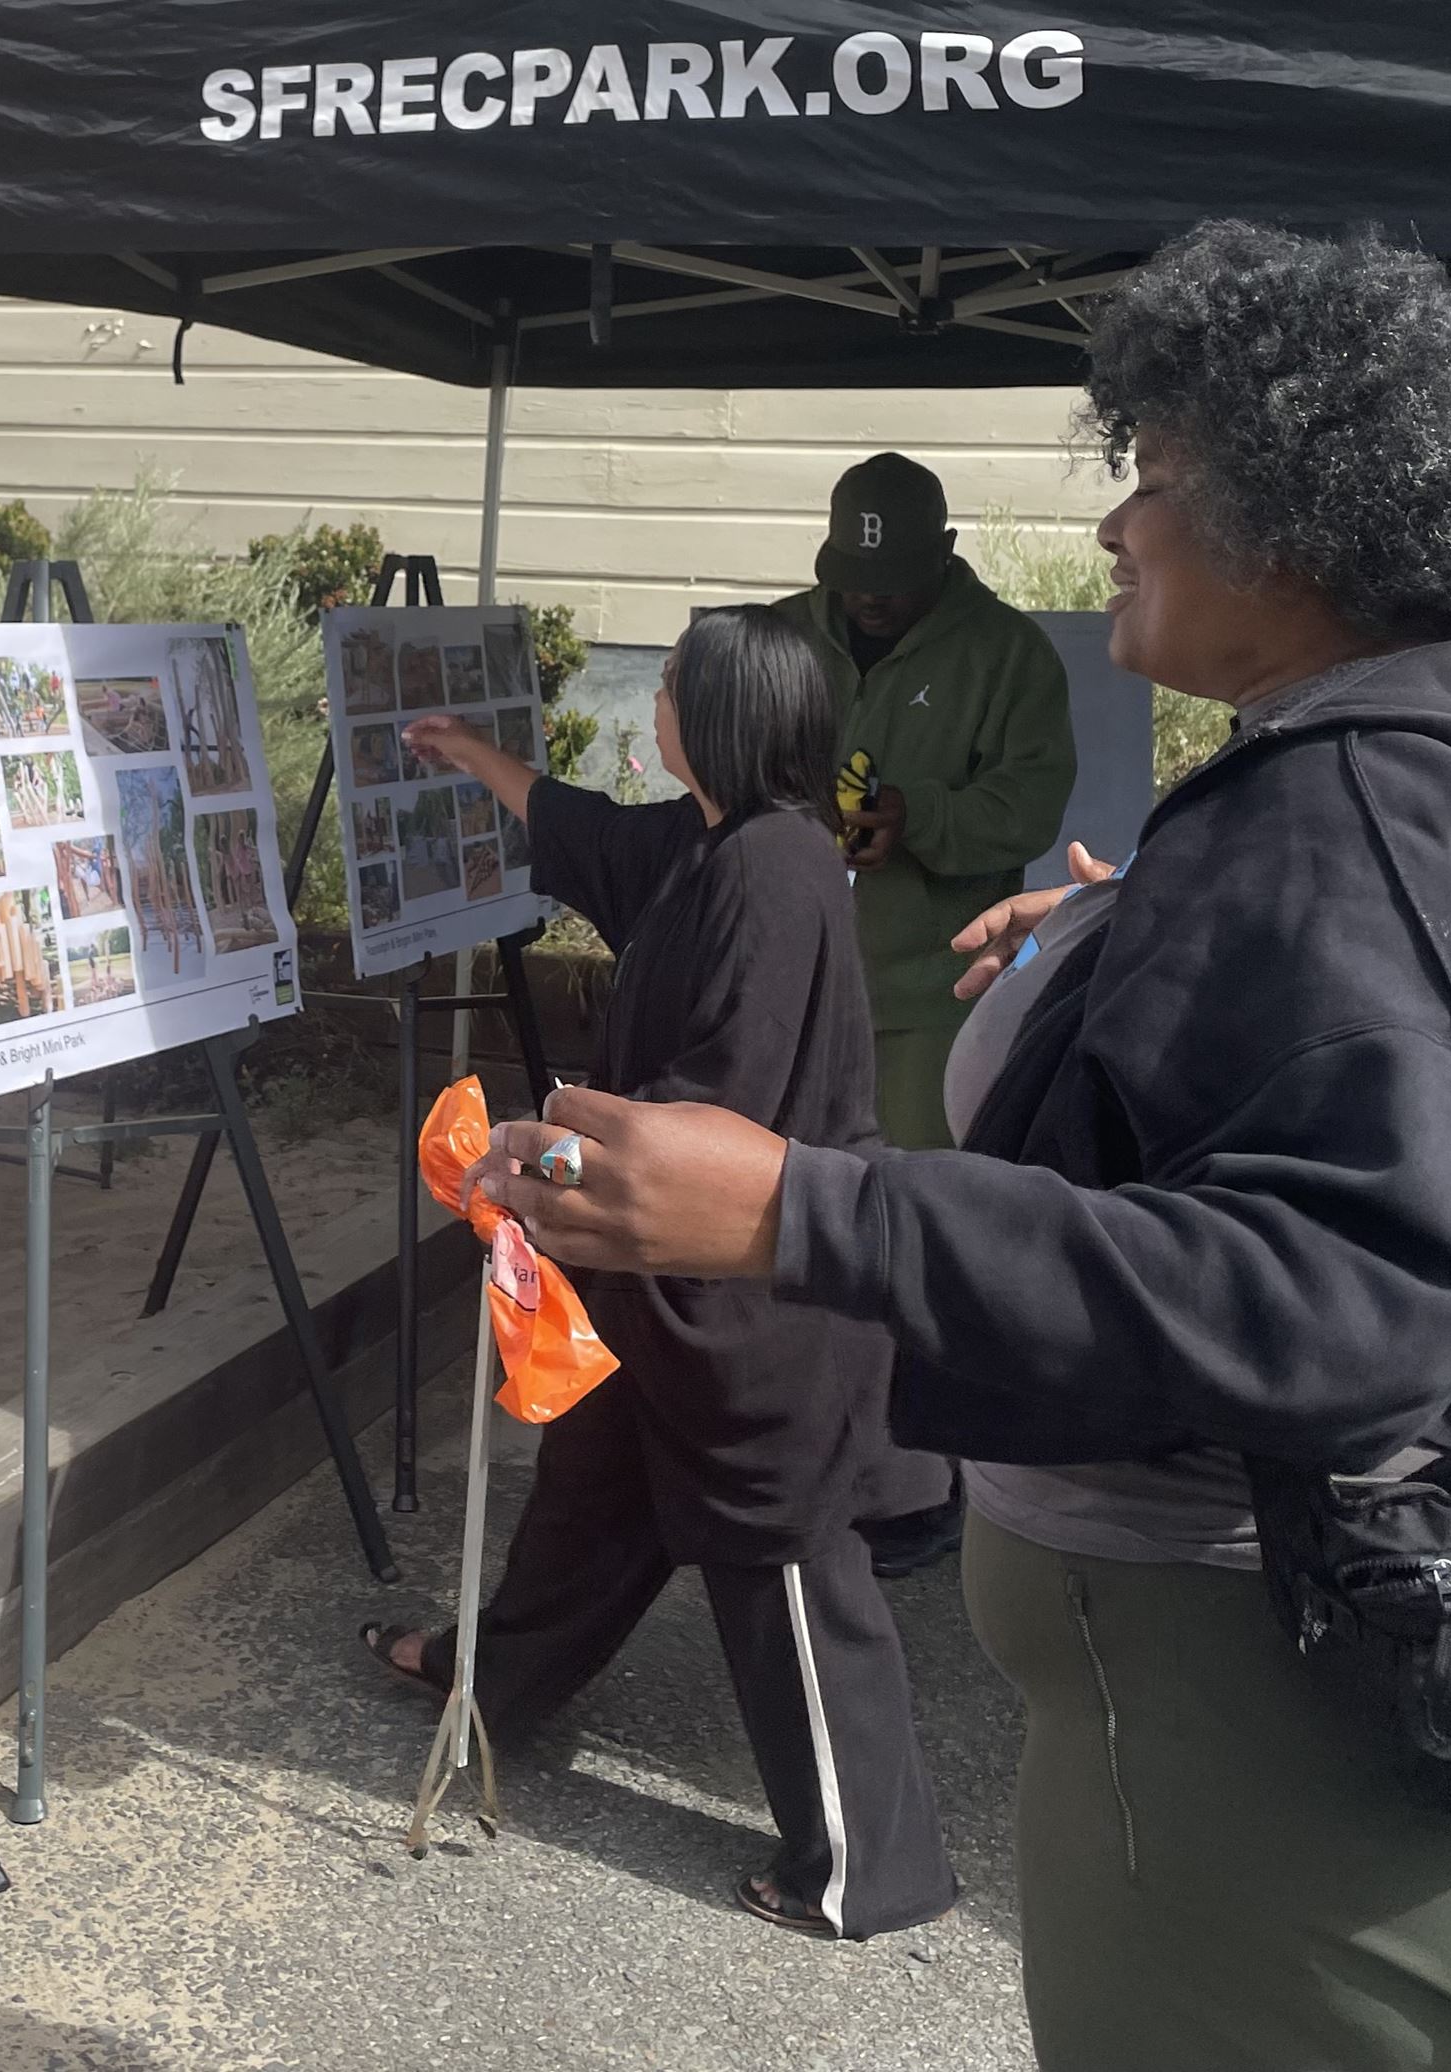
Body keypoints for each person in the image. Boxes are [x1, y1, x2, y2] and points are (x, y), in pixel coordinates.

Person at [477, 224, 1451, 2072]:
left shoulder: (1355, 804)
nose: (1116, 528)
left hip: (1285, 1736)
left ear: (1310, 521)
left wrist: (800, 1208)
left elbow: (1349, 1305)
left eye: (1157, 481)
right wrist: (1140, 937)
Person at [360, 606, 958, 1944]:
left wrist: (542, 1170)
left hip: (756, 1292)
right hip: (664, 1279)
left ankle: (868, 1868)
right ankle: (484, 1680)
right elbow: (585, 829)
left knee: (780, 1559)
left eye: (675, 689)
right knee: (593, 1486)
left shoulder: (777, 872)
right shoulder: (708, 841)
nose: (657, 708)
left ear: (727, 718)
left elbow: (715, 1110)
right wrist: (470, 755)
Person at [775, 454, 1077, 1577]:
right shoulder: (776, 636)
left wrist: (927, 816)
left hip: (925, 992)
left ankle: (921, 1484)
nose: (868, 601)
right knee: (784, 1221)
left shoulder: (1006, 654)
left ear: (940, 560)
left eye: (891, 585)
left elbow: (1032, 796)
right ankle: (800, 1451)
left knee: (914, 1230)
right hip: (793, 975)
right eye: (853, 581)